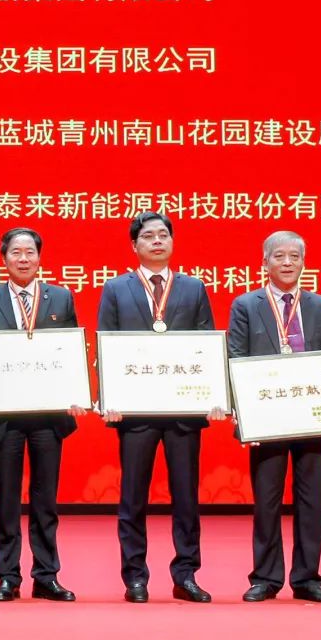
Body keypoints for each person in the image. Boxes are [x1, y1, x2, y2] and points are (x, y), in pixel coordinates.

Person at [98, 211, 223, 604]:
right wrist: (110, 399)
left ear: (172, 242)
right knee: (133, 498)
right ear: (134, 245)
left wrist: (213, 397)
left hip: (183, 412)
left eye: (163, 235)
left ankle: (186, 575)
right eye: (148, 236)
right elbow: (106, 345)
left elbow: (206, 345)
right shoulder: (116, 288)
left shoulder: (193, 288)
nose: (157, 241)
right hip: (135, 413)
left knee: (186, 498)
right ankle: (135, 577)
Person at [0, 228, 85, 602]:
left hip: (48, 415)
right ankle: (7, 576)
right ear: (3, 258)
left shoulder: (61, 297)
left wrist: (76, 394)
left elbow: (70, 351)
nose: (23, 258)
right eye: (16, 252)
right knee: (6, 498)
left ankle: (46, 575)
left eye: (29, 252)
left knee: (45, 499)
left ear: (39, 257)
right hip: (3, 416)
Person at [228, 230, 321, 603]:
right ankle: (265, 577)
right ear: (265, 262)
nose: (288, 262)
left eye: (295, 256)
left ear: (304, 262)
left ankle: (307, 578)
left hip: (311, 416)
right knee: (267, 499)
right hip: (267, 418)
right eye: (279, 256)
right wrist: (242, 413)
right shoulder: (246, 305)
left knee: (312, 501)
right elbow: (235, 359)